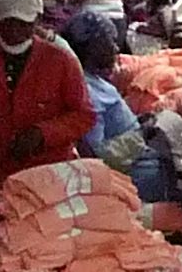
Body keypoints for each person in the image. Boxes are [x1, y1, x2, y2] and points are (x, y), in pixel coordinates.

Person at [0, 0, 95, 225]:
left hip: (50, 170)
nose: (14, 31)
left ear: (36, 22)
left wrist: (42, 134)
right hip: (3, 169)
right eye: (9, 22)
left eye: (23, 23)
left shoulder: (61, 60)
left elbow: (83, 115)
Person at [59, 12, 146, 169]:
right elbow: (98, 155)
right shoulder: (87, 92)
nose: (116, 48)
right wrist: (143, 135)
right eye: (110, 42)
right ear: (94, 48)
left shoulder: (92, 79)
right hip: (130, 168)